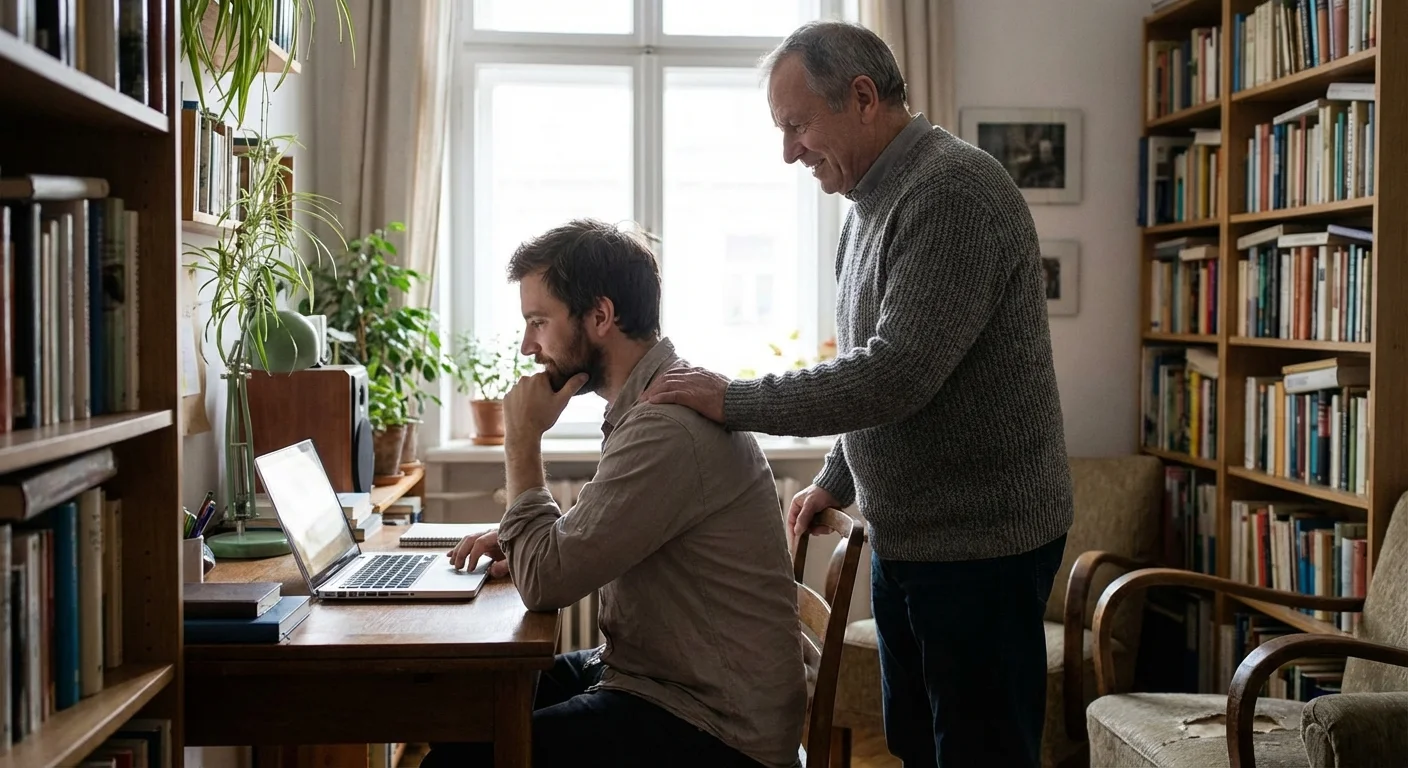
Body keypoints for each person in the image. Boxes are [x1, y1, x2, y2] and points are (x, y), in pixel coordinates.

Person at [642, 20, 1073, 768]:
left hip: (983, 545)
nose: (788, 151)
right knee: (914, 745)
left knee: (979, 754)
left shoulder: (954, 192)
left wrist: (733, 399)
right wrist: (836, 478)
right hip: (911, 534)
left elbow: (897, 373)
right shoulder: (869, 205)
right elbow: (880, 369)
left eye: (797, 125)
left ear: (864, 97)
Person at [421, 219, 807, 768]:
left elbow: (547, 583)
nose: (529, 346)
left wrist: (522, 438)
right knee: (462, 713)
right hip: (655, 680)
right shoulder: (650, 404)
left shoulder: (665, 427)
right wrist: (526, 542)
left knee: (457, 762)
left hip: (717, 728)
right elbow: (589, 537)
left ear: (600, 316)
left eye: (538, 322)